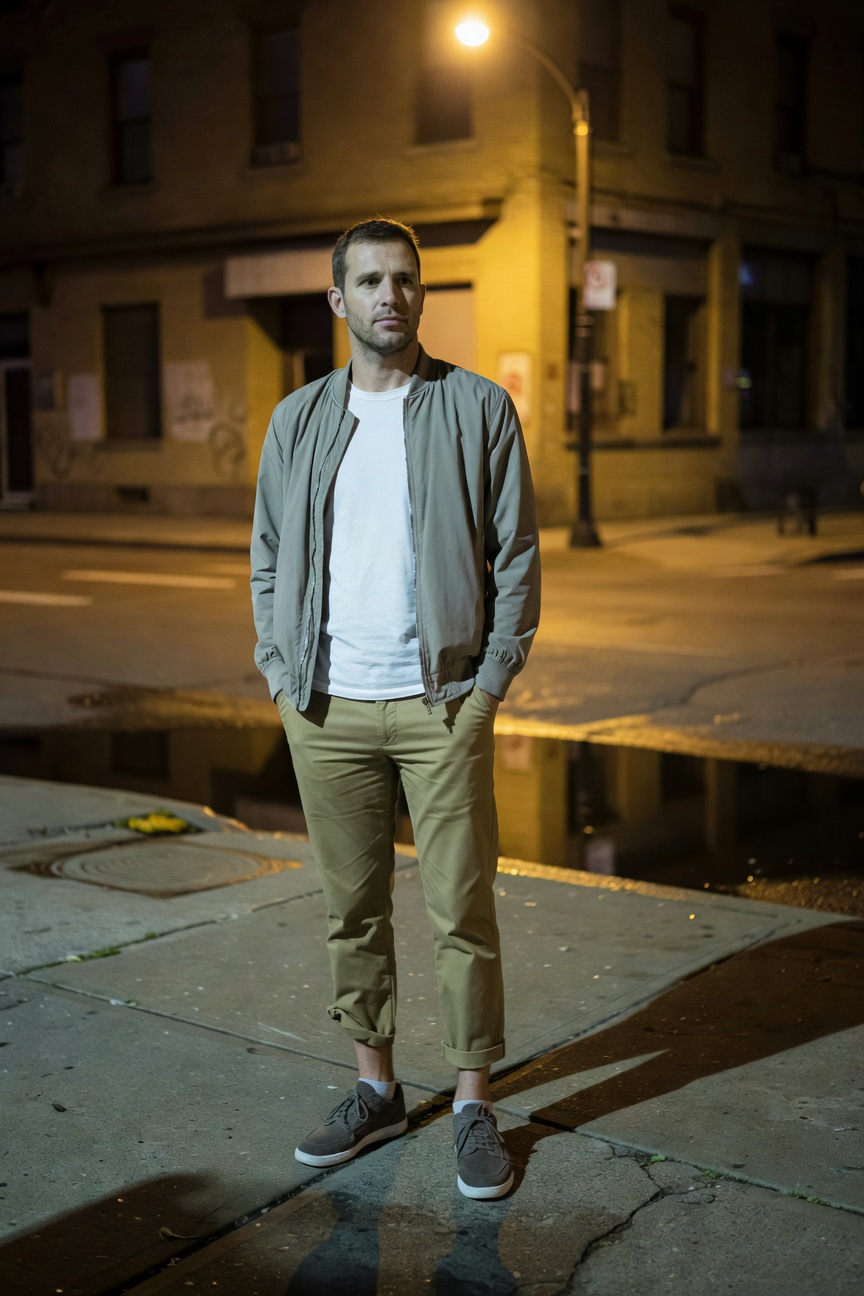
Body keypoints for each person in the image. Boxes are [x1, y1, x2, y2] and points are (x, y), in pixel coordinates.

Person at [250, 216, 540, 1199]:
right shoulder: (298, 420)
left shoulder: (478, 408)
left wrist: (488, 686)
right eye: (369, 281)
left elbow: (518, 561)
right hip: (325, 710)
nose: (390, 295)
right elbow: (267, 556)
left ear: (422, 293)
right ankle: (374, 1090)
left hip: (442, 706)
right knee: (352, 912)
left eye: (405, 280)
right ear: (337, 300)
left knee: (463, 910)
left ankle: (470, 1103)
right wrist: (281, 675)